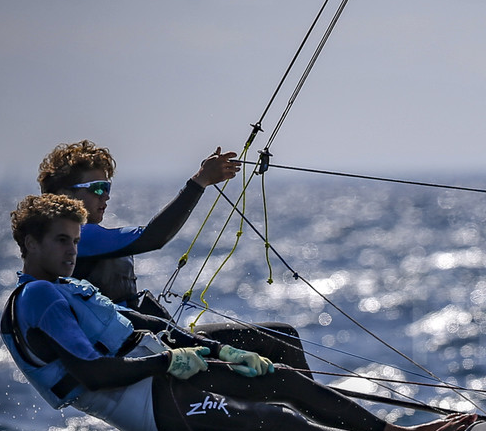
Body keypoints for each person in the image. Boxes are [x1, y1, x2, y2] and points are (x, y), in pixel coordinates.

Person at [1, 194, 472, 431]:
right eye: (61, 241)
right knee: (278, 420)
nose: (71, 251)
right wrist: (168, 360)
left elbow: (136, 323)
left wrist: (213, 351)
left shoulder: (63, 286)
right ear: (29, 243)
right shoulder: (38, 297)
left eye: (76, 241)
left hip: (155, 376)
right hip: (139, 400)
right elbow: (95, 374)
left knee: (284, 380)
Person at [38, 139, 309, 371]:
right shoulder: (80, 238)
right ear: (63, 194)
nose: (106, 196)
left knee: (282, 339)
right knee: (282, 341)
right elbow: (153, 237)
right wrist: (200, 181)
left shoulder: (92, 236)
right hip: (147, 353)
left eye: (108, 188)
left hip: (162, 339)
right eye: (98, 188)